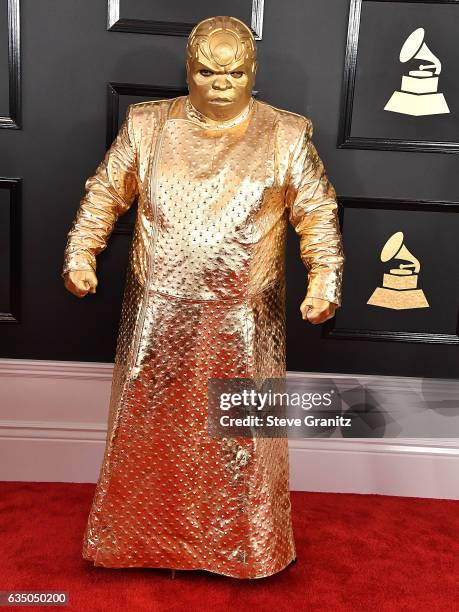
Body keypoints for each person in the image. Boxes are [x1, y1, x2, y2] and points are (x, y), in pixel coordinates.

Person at [62, 15, 345, 579]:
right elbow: (103, 193)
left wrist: (325, 279)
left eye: (236, 72)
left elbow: (316, 214)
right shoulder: (147, 126)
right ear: (188, 70)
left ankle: (243, 550)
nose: (222, 83)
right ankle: (136, 541)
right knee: (146, 430)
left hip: (243, 314)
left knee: (239, 435)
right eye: (209, 72)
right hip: (156, 309)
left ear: (253, 73)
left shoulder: (285, 135)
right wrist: (80, 253)